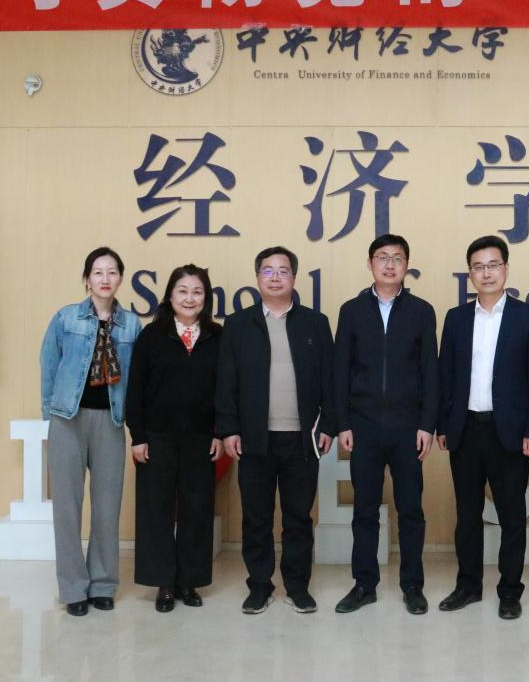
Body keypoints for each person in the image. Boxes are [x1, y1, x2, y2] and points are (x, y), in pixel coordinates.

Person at [216, 246, 335, 615]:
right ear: (257, 278)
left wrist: (328, 425)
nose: (275, 277)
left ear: (294, 278)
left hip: (302, 439)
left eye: (283, 271)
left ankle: (298, 587)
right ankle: (259, 586)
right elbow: (226, 382)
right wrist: (229, 429)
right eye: (268, 270)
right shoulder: (238, 325)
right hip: (255, 439)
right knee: (257, 517)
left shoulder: (315, 323)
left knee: (299, 517)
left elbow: (331, 380)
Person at [436, 236, 529, 620]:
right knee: (467, 515)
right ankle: (468, 586)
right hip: (466, 430)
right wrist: (443, 424)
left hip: (510, 434)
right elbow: (446, 375)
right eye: (479, 267)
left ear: (506, 269)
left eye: (493, 265)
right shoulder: (456, 318)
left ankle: (510, 591)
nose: (486, 273)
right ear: (470, 273)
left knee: (512, 517)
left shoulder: (528, 318)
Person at [333, 234, 439, 615]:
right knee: (365, 510)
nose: (390, 264)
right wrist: (342, 422)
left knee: (410, 510)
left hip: (408, 428)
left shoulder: (421, 311)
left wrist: (427, 424)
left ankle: (412, 585)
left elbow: (430, 372)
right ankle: (364, 584)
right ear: (370, 264)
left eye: (397, 258)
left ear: (407, 265)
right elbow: (340, 370)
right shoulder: (351, 311)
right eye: (382, 257)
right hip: (363, 427)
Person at [40, 247, 142, 617]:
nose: (104, 278)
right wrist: (49, 416)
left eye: (112, 272)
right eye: (97, 272)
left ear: (120, 278)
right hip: (68, 419)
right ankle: (72, 588)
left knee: (106, 507)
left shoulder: (132, 325)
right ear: (87, 279)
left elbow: (136, 377)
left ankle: (102, 584)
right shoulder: (66, 318)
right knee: (67, 508)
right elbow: (49, 365)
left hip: (110, 421)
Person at [125, 264, 223, 613]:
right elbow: (135, 390)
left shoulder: (217, 336)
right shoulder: (152, 336)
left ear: (206, 297)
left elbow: (227, 389)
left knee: (197, 509)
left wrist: (220, 432)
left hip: (201, 438)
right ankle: (164, 583)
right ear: (170, 296)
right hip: (157, 438)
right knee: (157, 509)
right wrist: (138, 436)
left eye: (197, 292)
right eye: (182, 291)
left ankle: (189, 581)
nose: (190, 298)